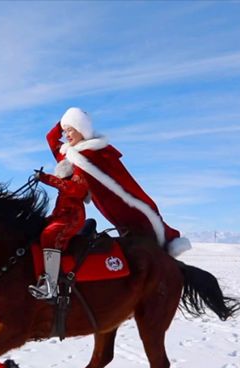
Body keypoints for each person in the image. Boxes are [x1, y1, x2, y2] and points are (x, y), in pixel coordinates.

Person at [46, 107, 191, 257]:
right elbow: (51, 138)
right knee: (128, 234)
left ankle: (164, 251)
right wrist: (65, 121)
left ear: (81, 130)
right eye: (65, 131)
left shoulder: (93, 153)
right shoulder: (70, 153)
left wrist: (48, 179)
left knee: (142, 230)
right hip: (104, 204)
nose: (66, 135)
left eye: (70, 130)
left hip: (118, 203)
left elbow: (120, 181)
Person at [28, 159, 89, 300]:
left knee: (49, 235)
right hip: (61, 218)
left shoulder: (78, 184)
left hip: (72, 219)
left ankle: (51, 286)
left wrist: (45, 178)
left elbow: (69, 188)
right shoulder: (64, 188)